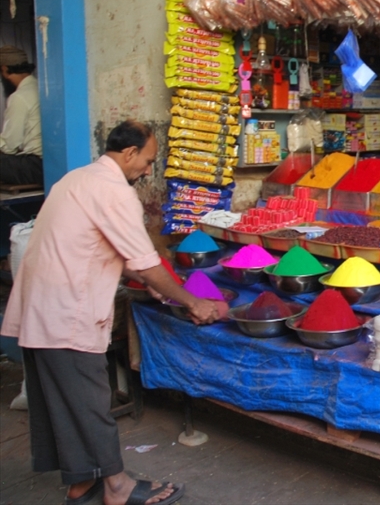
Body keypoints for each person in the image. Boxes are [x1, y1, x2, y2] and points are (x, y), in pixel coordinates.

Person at [0, 120, 220, 505]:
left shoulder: (78, 179)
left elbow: (102, 246)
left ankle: (82, 485)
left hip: (42, 305)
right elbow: (147, 262)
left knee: (63, 403)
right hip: (66, 311)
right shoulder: (115, 192)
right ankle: (117, 488)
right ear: (129, 153)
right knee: (88, 402)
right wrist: (192, 301)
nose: (149, 170)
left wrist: (144, 277)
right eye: (148, 161)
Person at [0, 45, 43, 186]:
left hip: (34, 166)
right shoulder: (40, 88)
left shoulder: (19, 97)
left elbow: (10, 145)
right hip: (45, 163)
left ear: (4, 70)